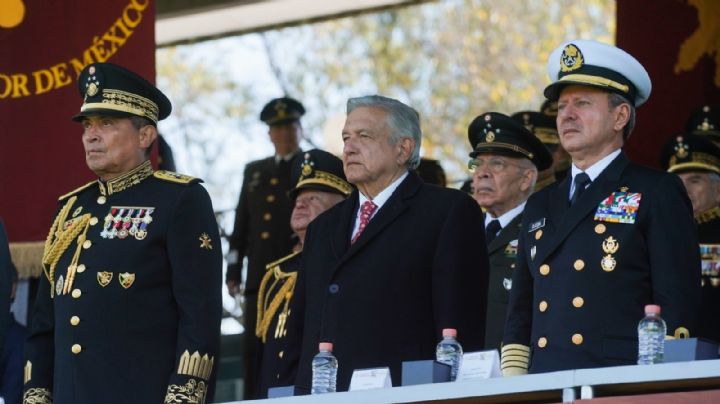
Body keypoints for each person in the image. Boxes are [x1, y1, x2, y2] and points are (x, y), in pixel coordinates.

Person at [23, 63, 223, 404]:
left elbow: (199, 317)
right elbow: (44, 324)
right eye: (88, 125)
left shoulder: (180, 200)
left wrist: (185, 396)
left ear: (145, 136)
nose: (91, 135)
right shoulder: (70, 209)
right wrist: (36, 395)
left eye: (108, 123)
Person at [502, 40, 701, 376]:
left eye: (582, 103)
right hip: (544, 380)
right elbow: (521, 307)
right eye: (563, 106)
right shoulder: (541, 202)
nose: (567, 115)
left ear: (620, 116)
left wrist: (663, 380)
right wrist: (515, 381)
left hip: (618, 379)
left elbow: (676, 298)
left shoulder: (655, 189)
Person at [292, 95, 488, 392]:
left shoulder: (447, 211)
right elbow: (300, 328)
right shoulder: (323, 226)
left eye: (364, 136)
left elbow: (460, 324)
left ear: (403, 148)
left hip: (405, 393)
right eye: (346, 137)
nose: (349, 147)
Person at [255, 149, 352, 398]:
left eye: (313, 198)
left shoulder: (348, 266)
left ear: (342, 205)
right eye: (299, 197)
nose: (300, 203)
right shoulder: (276, 275)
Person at [226, 96, 304, 398]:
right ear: (269, 134)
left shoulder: (309, 164)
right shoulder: (255, 171)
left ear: (299, 129)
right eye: (278, 128)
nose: (284, 133)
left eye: (290, 127)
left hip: (294, 272)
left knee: (288, 344)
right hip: (259, 278)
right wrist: (233, 269)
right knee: (253, 351)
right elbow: (241, 223)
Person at [467, 112, 552, 351]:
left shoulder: (544, 231)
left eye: (497, 163)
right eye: (477, 163)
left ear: (526, 179)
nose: (482, 173)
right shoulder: (460, 231)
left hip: (513, 371)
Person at [660, 133, 720, 342]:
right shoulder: (657, 232)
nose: (685, 189)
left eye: (695, 181)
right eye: (677, 181)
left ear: (718, 189)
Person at [511, 110, 564, 191]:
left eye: (539, 152)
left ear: (558, 155)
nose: (530, 159)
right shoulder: (490, 200)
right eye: (519, 153)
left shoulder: (573, 199)